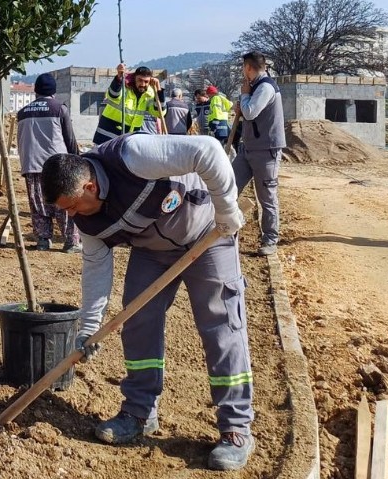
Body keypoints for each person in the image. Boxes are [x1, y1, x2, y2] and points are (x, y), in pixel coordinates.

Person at [40, 134, 255, 471]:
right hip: (152, 252)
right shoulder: (88, 221)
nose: (69, 217)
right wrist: (90, 327)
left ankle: (235, 428)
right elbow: (96, 271)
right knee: (138, 322)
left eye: (70, 206)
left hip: (208, 234)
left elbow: (208, 150)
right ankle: (138, 413)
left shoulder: (133, 157)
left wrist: (227, 211)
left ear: (89, 187)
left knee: (221, 325)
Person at [17, 73, 82, 253]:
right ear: (53, 91)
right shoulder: (59, 108)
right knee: (63, 202)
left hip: (31, 165)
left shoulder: (23, 112)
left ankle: (43, 240)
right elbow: (70, 139)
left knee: (38, 204)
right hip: (57, 165)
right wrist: (76, 159)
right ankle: (71, 242)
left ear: (36, 91)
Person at [233, 51, 286, 256]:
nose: (242, 72)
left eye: (242, 68)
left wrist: (245, 95)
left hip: (266, 150)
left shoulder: (265, 87)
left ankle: (270, 240)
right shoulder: (256, 87)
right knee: (229, 186)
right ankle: (224, 229)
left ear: (248, 67)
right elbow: (248, 112)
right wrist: (244, 100)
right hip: (249, 148)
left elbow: (251, 112)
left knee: (267, 197)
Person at [93, 64, 165, 144]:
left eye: (146, 81)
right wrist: (119, 77)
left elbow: (159, 113)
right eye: (140, 80)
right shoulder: (124, 87)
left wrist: (159, 90)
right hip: (107, 136)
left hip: (128, 139)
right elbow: (113, 95)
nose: (143, 84)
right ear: (134, 79)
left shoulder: (149, 94)